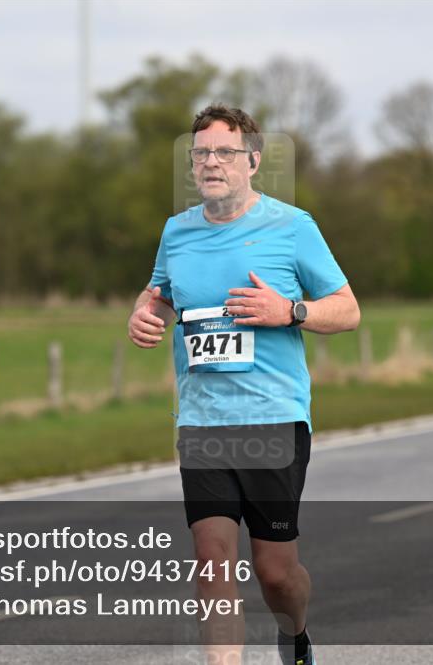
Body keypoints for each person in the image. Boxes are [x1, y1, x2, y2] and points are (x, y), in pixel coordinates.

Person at [127, 104, 360, 665]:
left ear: (252, 161)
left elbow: (348, 310)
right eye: (201, 153)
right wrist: (142, 311)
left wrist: (290, 311)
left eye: (224, 152)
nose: (211, 162)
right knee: (211, 559)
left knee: (277, 575)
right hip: (203, 419)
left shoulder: (292, 227)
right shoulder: (176, 232)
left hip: (274, 417)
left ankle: (295, 631)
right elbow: (157, 291)